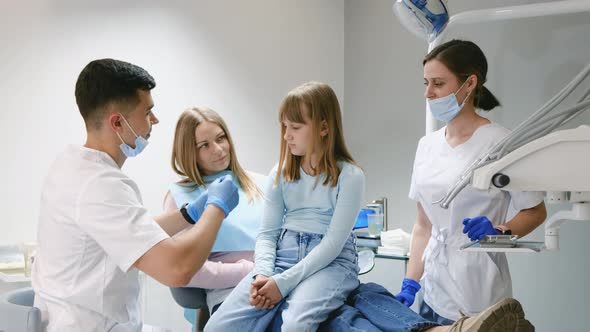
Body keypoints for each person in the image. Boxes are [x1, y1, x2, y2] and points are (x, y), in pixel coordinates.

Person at [32, 59, 239, 332]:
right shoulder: (100, 185)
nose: (155, 120)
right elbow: (177, 269)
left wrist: (188, 214)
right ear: (117, 122)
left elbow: (130, 233)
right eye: (148, 111)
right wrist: (217, 208)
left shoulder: (70, 165)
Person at [395, 40, 547, 324]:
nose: (428, 93)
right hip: (433, 289)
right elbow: (423, 225)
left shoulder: (502, 144)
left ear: (470, 84)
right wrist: (410, 282)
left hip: (480, 290)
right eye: (426, 83)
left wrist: (500, 230)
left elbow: (535, 211)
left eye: (438, 83)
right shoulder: (427, 146)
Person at [203, 81, 366, 331]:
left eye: (296, 127)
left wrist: (283, 284)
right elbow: (267, 234)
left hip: (332, 262)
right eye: (285, 126)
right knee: (216, 327)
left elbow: (333, 244)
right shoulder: (280, 174)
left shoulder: (351, 176)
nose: (286, 135)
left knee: (294, 324)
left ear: (324, 127)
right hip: (283, 255)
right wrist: (263, 275)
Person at [163, 107, 267, 327]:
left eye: (221, 138)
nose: (218, 150)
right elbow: (189, 270)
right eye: (205, 145)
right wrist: (251, 271)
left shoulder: (264, 184)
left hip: (279, 285)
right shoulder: (180, 198)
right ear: (189, 152)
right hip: (230, 294)